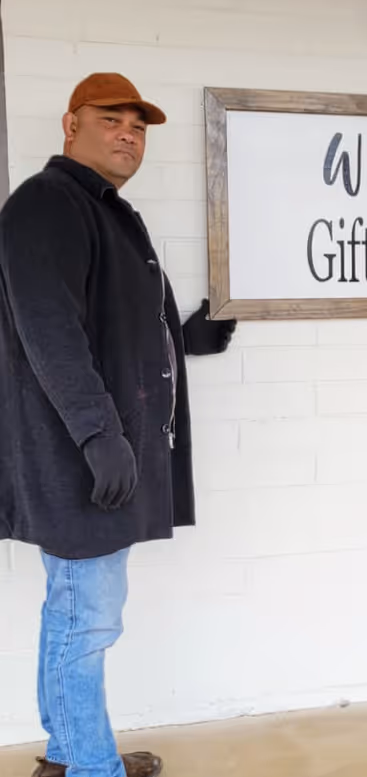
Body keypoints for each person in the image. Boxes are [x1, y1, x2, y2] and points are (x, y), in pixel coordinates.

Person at [0, 73, 237, 777]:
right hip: (78, 459)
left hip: (94, 456)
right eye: (112, 120)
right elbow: (50, 331)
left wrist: (183, 336)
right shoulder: (48, 204)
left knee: (76, 612)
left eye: (138, 125)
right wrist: (100, 435)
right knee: (88, 618)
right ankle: (91, 769)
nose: (129, 134)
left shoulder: (100, 210)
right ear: (71, 124)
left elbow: (111, 325)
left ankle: (72, 755)